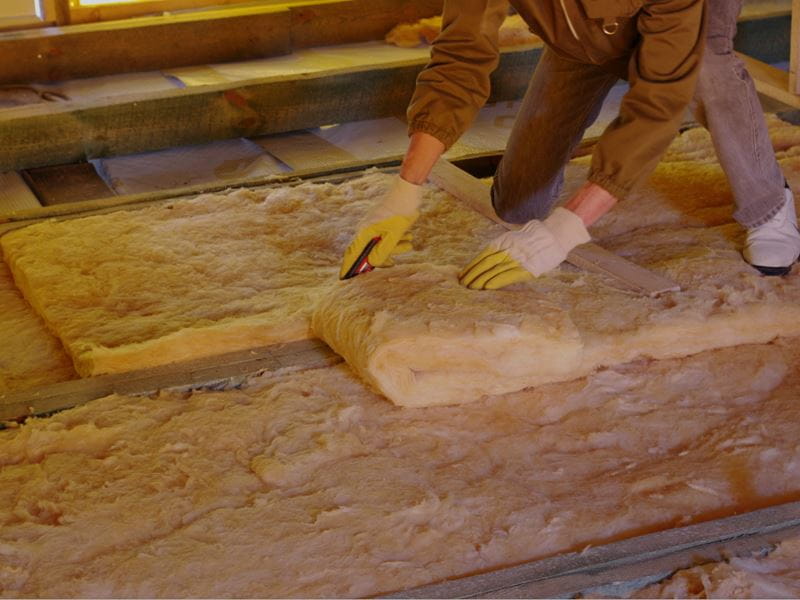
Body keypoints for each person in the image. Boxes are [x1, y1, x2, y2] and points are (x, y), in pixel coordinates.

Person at [340, 0, 800, 288]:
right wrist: (405, 190)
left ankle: (768, 206)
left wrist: (566, 230)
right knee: (518, 205)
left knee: (707, 70)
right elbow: (461, 57)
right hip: (582, 37)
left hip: (684, 30)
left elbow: (658, 101)